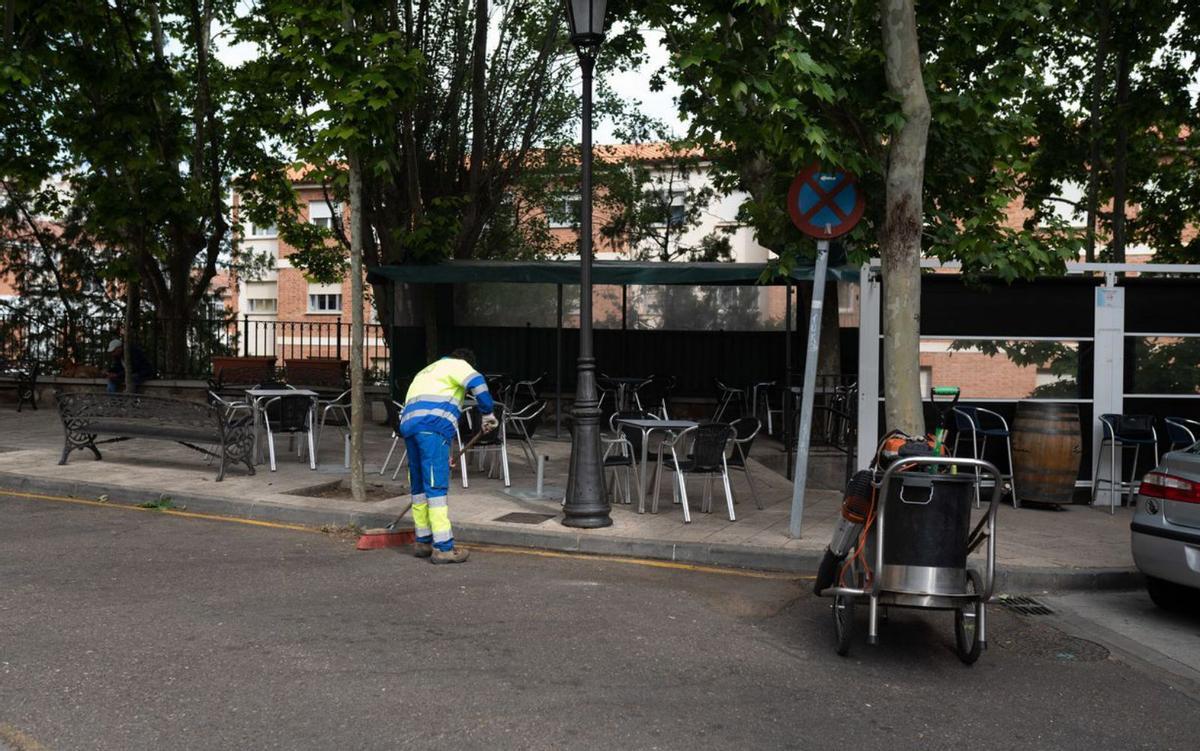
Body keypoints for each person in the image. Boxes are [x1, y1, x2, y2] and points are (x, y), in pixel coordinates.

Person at [399, 348, 497, 564]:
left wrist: (445, 455)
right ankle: (443, 548)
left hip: (410, 427)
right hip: (433, 428)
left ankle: (422, 541)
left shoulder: (426, 371)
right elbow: (478, 383)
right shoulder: (459, 365)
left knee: (419, 488)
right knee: (436, 488)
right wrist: (487, 413)